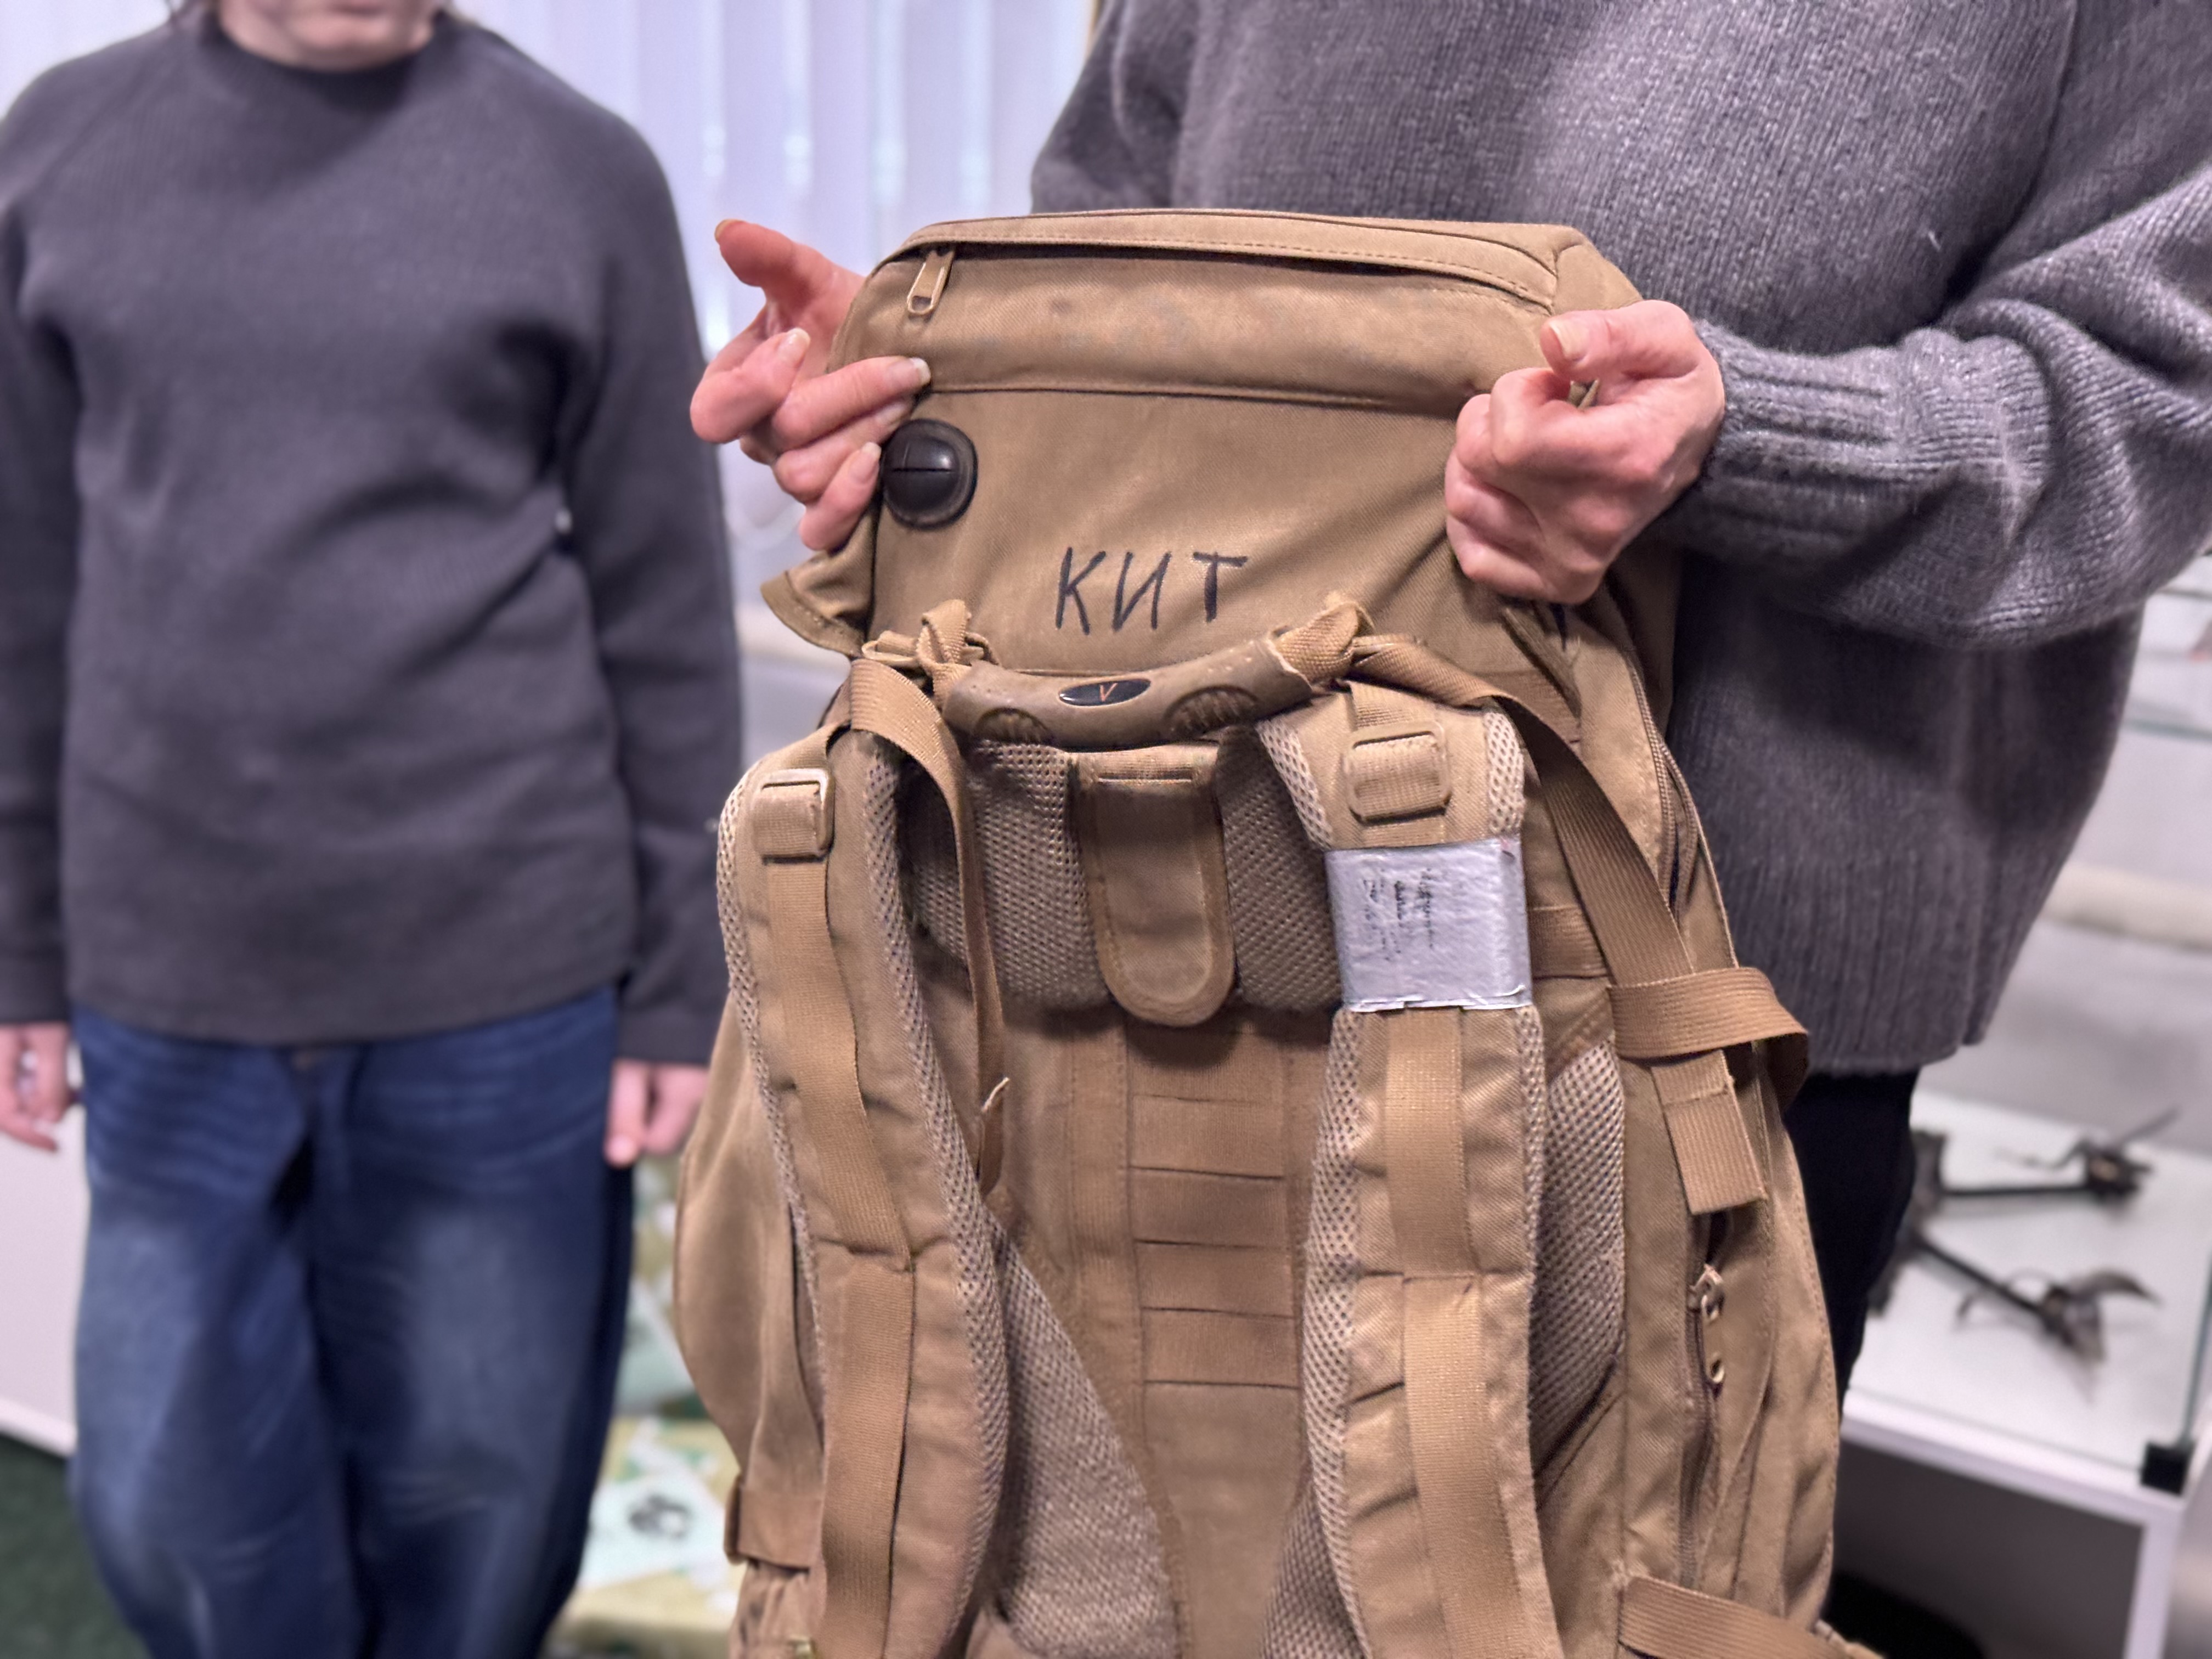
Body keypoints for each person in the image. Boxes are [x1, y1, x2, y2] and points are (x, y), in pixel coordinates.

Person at [689, 0, 2212, 1397]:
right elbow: (1117, 252)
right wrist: (945, 382)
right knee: (1116, 1540)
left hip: (1708, 1014)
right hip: (1163, 927)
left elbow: (2155, 386)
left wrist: (1751, 444)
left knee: (1630, 1557)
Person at [0, 0, 741, 1654]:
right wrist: (19, 950)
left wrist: (678, 984)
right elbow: (21, 583)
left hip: (507, 973)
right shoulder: (57, 151)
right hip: (167, 970)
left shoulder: (577, 171)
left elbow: (666, 605)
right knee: (165, 1500)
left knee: (483, 1492)